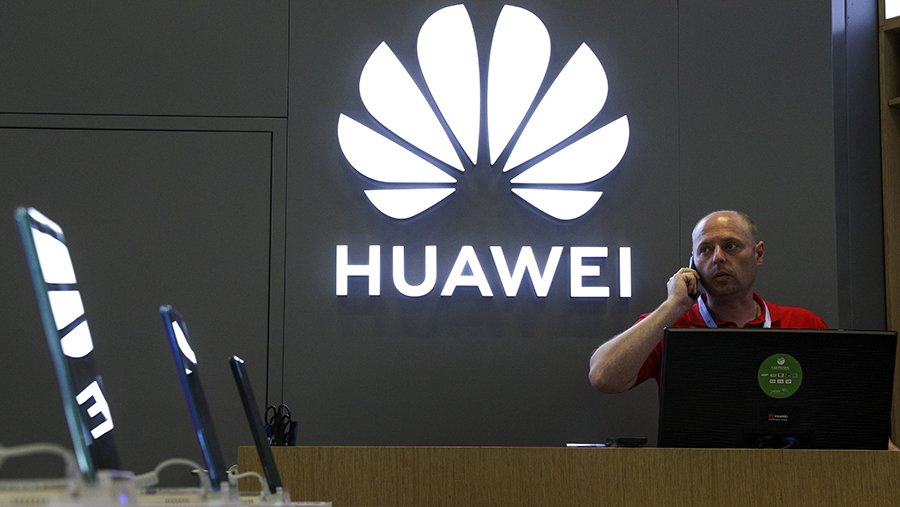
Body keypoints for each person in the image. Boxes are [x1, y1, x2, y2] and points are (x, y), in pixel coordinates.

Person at [588, 210, 827, 393]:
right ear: (693, 263)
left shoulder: (803, 323)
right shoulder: (671, 326)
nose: (718, 258)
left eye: (731, 246)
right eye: (705, 250)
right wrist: (672, 305)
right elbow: (603, 377)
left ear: (759, 254)